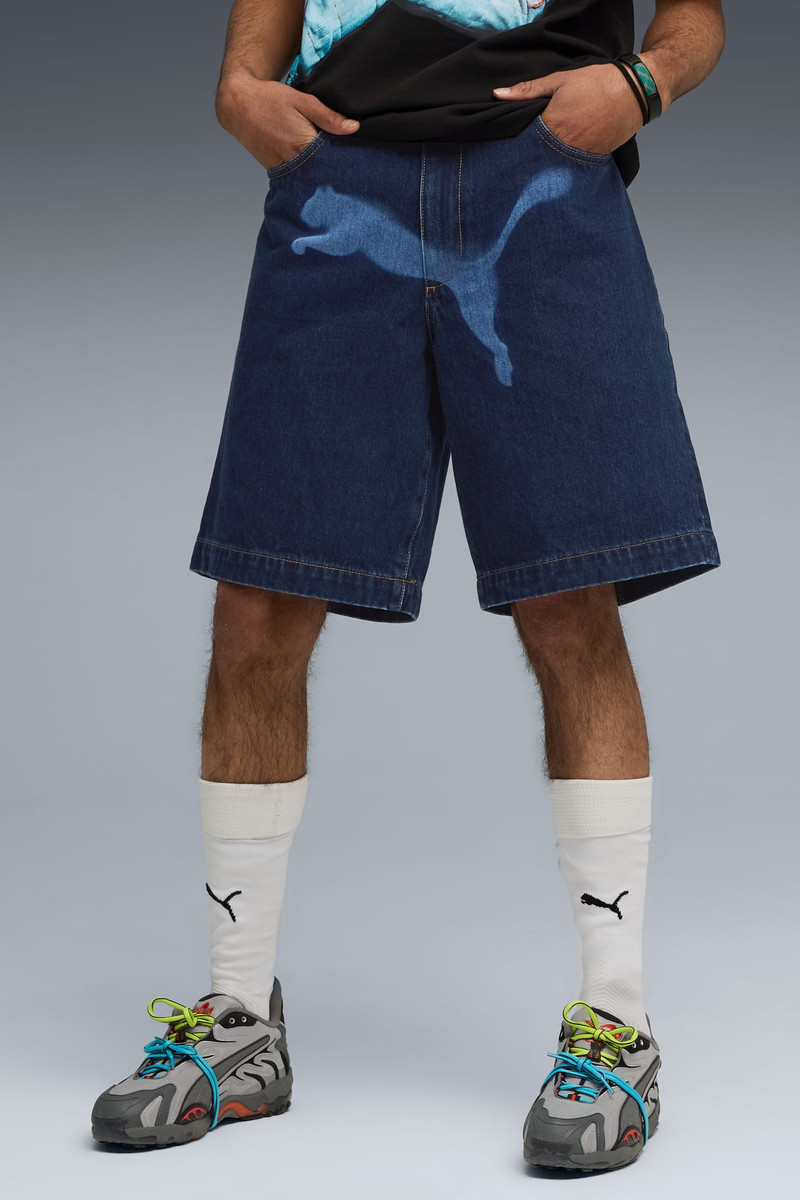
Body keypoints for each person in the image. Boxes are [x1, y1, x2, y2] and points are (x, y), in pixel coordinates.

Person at [91, 0, 725, 1172]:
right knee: (256, 605)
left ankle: (616, 1025)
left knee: (568, 604)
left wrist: (642, 85)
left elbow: (696, 13)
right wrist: (240, 81)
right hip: (344, 165)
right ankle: (238, 1020)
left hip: (542, 168)